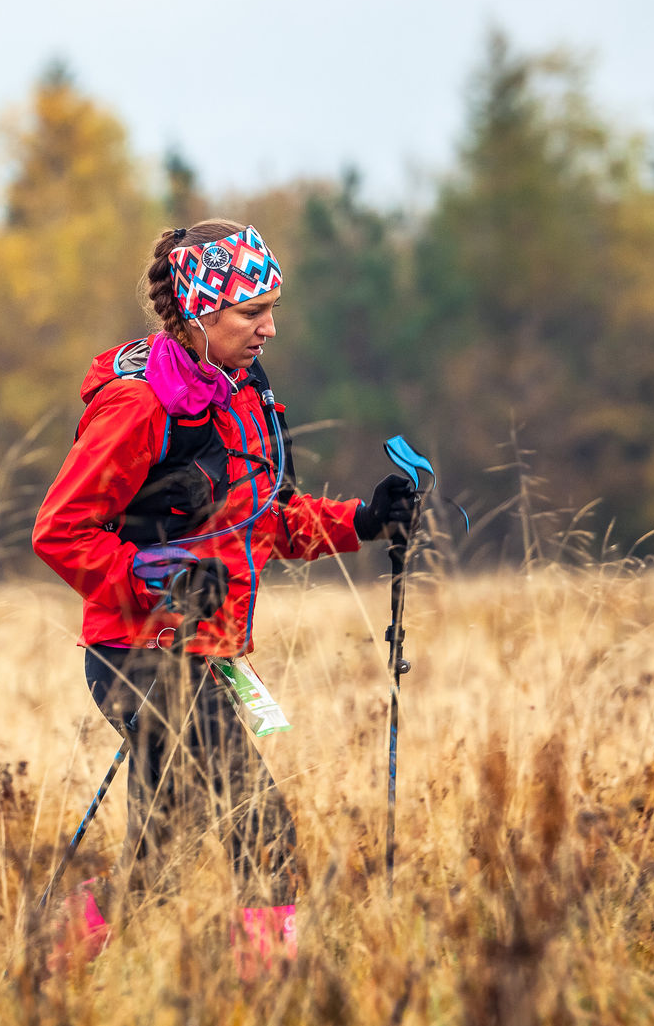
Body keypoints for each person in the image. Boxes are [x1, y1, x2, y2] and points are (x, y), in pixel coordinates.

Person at [32, 219, 418, 969]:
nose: (270, 327)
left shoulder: (240, 392)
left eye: (272, 308)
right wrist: (161, 583)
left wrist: (363, 521)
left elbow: (262, 520)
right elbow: (60, 530)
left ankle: (49, 965)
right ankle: (273, 996)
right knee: (261, 822)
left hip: (201, 651)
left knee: (162, 853)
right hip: (137, 655)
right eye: (252, 312)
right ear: (199, 311)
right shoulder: (139, 407)